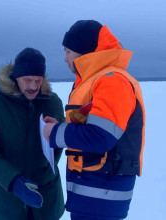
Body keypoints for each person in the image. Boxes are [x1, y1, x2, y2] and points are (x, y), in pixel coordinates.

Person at [43, 20, 146, 220]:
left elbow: (101, 136)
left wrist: (55, 134)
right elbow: (88, 126)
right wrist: (59, 127)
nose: (65, 59)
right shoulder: (94, 81)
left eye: (68, 51)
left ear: (84, 51)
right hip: (92, 195)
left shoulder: (112, 81)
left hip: (103, 196)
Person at [0, 48, 65, 220]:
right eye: (27, 80)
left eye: (38, 80)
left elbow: (57, 147)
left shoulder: (53, 102)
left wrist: (60, 130)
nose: (33, 86)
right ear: (16, 78)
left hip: (45, 198)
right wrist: (12, 181)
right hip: (5, 199)